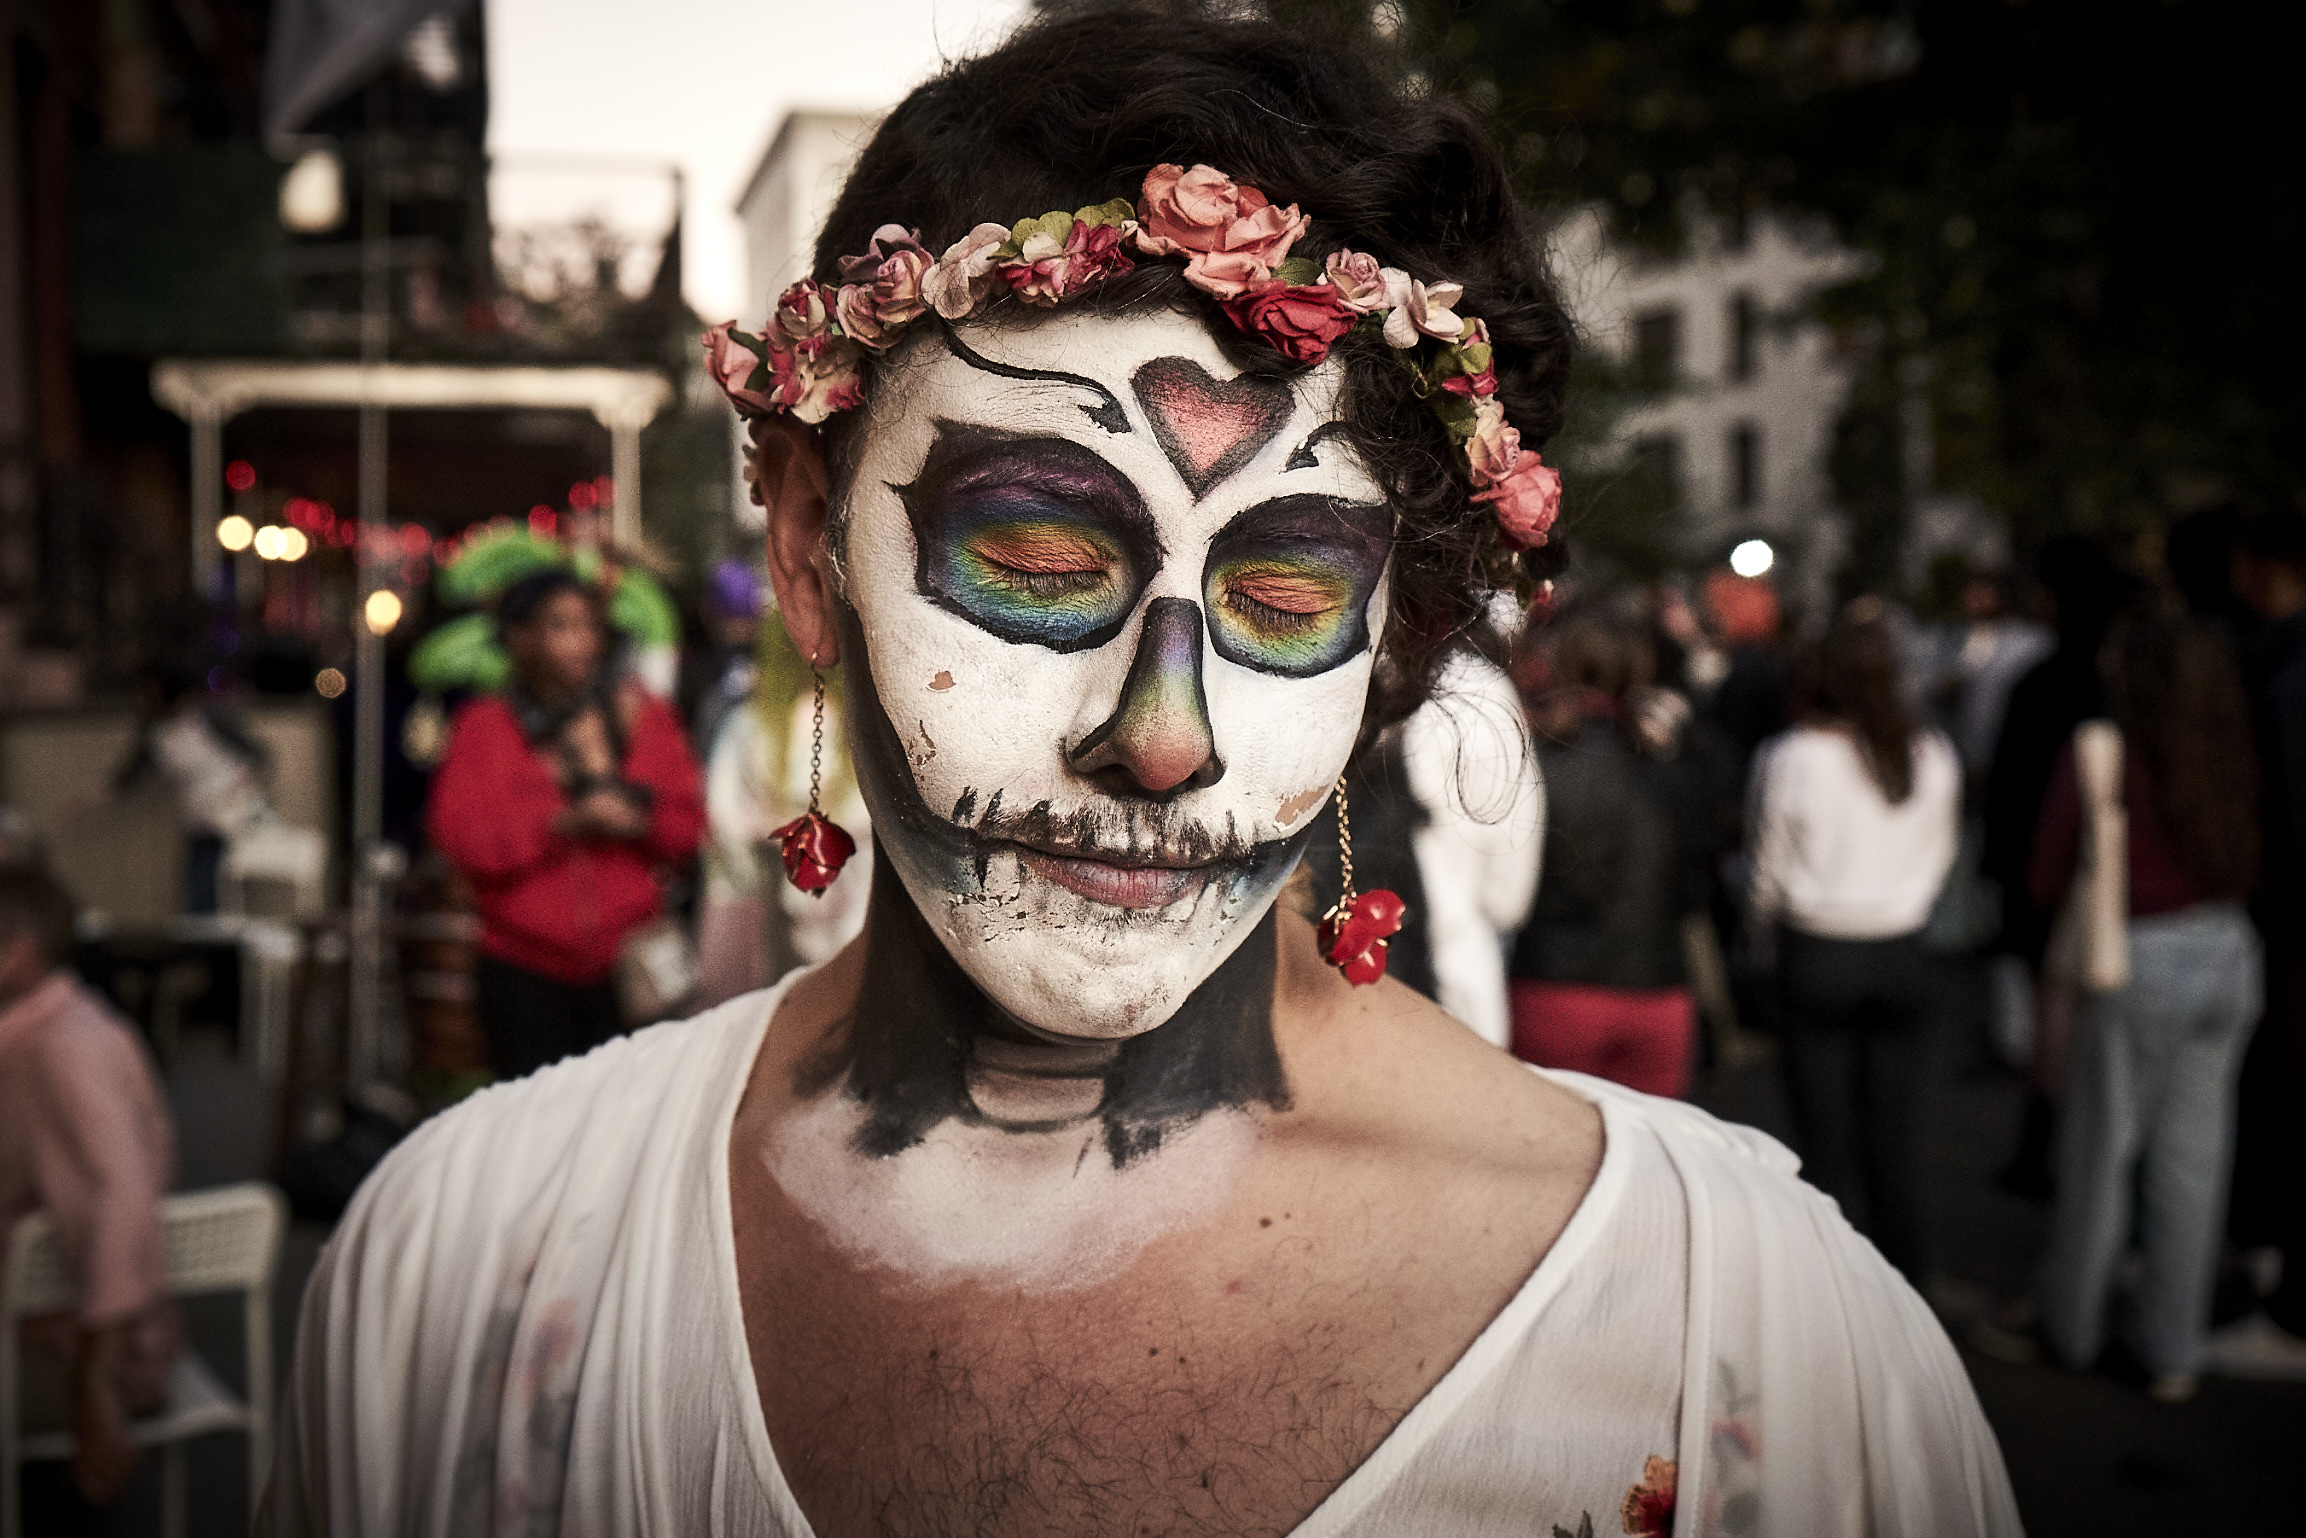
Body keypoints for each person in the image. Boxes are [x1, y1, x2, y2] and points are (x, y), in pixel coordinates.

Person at [270, 12, 2017, 1534]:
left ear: (1389, 644)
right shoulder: (459, 1280)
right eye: (1034, 561)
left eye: (1282, 594)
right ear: (809, 545)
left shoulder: (1764, 1353)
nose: (1163, 736)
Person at [2027, 600, 2261, 1401]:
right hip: (2229, 950)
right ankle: (2171, 1348)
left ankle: (2073, 1326)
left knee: (2101, 1156)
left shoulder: (2103, 752)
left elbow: (2046, 871)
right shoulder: (2231, 748)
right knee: (2194, 1163)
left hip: (2136, 956)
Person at [1748, 600, 1961, 1283]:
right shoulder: (1931, 753)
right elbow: (1942, 856)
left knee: (1825, 1142)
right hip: (1902, 951)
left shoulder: (1794, 756)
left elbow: (1767, 869)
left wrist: (1759, 932)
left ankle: (1837, 1291)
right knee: (1894, 1139)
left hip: (1818, 953)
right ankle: (1910, 1284)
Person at [425, 568, 705, 1078]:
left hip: (631, 964)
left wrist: (634, 819)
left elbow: (688, 830)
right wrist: (559, 819)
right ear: (519, 637)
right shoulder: (484, 727)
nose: (582, 641)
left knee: (633, 1124)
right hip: (523, 969)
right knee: (536, 1130)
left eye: (589, 626)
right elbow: (465, 843)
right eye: (560, 625)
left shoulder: (643, 717)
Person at [0, 863, 179, 1508]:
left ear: (18, 951)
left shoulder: (61, 1050)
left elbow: (120, 1198)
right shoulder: (59, 1026)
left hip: (73, 1352)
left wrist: (93, 1385)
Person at [1510, 611, 1708, 1095]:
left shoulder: (1533, 766)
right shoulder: (1675, 770)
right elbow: (1698, 881)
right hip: (1658, 992)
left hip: (1555, 990)